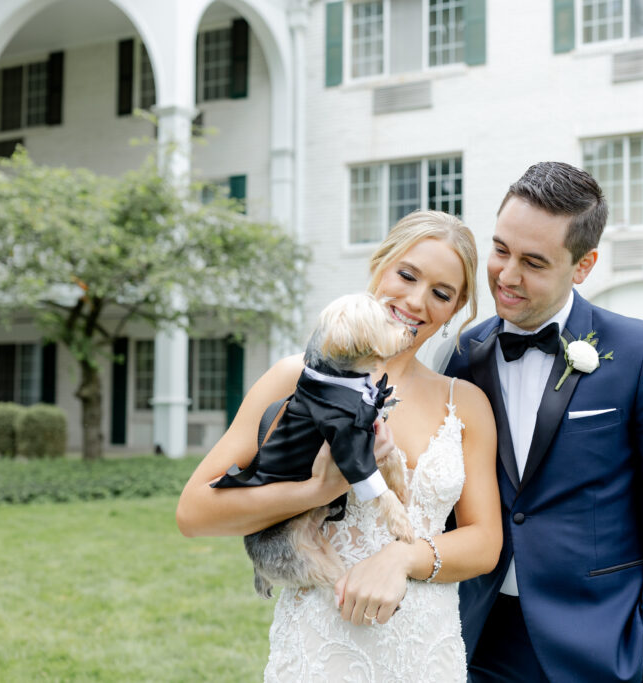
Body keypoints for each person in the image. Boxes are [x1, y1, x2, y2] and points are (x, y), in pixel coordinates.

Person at [177, 210, 502, 682]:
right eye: (406, 274)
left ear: (455, 309)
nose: (415, 300)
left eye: (440, 293)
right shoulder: (297, 378)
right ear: (380, 265)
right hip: (321, 644)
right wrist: (316, 490)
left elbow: (485, 542)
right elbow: (194, 513)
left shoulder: (466, 403)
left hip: (425, 651)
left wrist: (401, 557)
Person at [444, 162, 643, 682]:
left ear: (583, 265)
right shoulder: (465, 351)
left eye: (533, 262)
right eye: (501, 249)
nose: (506, 276)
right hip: (473, 637)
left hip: (596, 644)